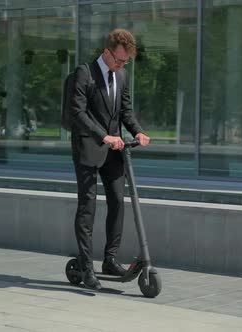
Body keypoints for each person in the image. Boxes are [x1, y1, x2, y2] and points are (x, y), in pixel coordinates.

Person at [69, 28, 150, 290]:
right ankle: (85, 265)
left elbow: (125, 109)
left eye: (125, 61)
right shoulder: (85, 73)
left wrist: (137, 130)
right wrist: (103, 136)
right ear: (107, 52)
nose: (121, 65)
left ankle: (109, 259)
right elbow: (78, 113)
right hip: (89, 148)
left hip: (114, 150)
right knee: (88, 207)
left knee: (117, 201)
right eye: (118, 60)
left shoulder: (122, 75)